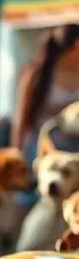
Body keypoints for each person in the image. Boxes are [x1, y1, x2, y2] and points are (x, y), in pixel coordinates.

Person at [14, 24, 79, 161]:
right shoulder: (37, 74)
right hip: (44, 146)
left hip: (75, 149)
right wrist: (17, 151)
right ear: (76, 45)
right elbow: (22, 117)